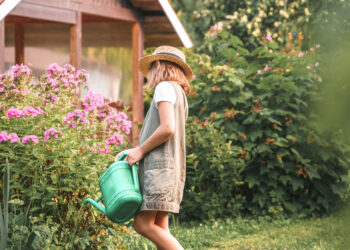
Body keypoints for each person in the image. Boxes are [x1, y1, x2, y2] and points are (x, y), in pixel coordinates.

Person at [115, 46, 192, 250]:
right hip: (171, 168)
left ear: (158, 64)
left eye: (150, 68)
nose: (148, 74)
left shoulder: (164, 87)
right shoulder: (180, 93)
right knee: (159, 227)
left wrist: (139, 150)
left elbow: (167, 128)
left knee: (142, 224)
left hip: (159, 169)